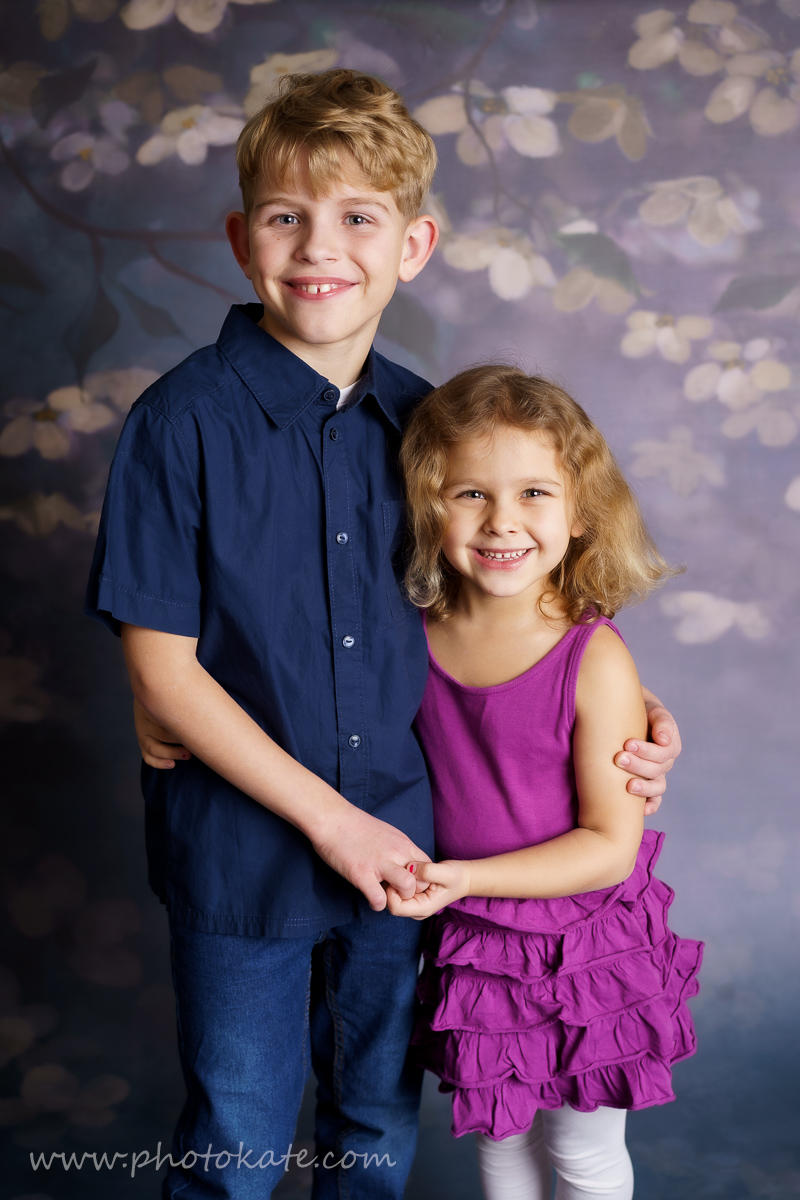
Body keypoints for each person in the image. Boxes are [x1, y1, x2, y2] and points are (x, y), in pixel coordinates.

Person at [86, 69, 682, 1200]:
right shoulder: (178, 422)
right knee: (238, 1133)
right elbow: (164, 672)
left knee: (372, 1126)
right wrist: (328, 820)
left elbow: (508, 612)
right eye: (285, 216)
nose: (321, 247)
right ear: (240, 240)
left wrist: (630, 709)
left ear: (413, 246)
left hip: (406, 865)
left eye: (358, 218)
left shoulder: (431, 426)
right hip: (243, 864)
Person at [386, 366, 703, 1200]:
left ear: (581, 511)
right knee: (501, 1143)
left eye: (534, 493)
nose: (502, 521)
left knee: (582, 1152)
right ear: (427, 505)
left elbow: (608, 849)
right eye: (469, 494)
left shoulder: (594, 657)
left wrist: (465, 879)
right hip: (477, 940)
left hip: (584, 944)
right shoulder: (406, 632)